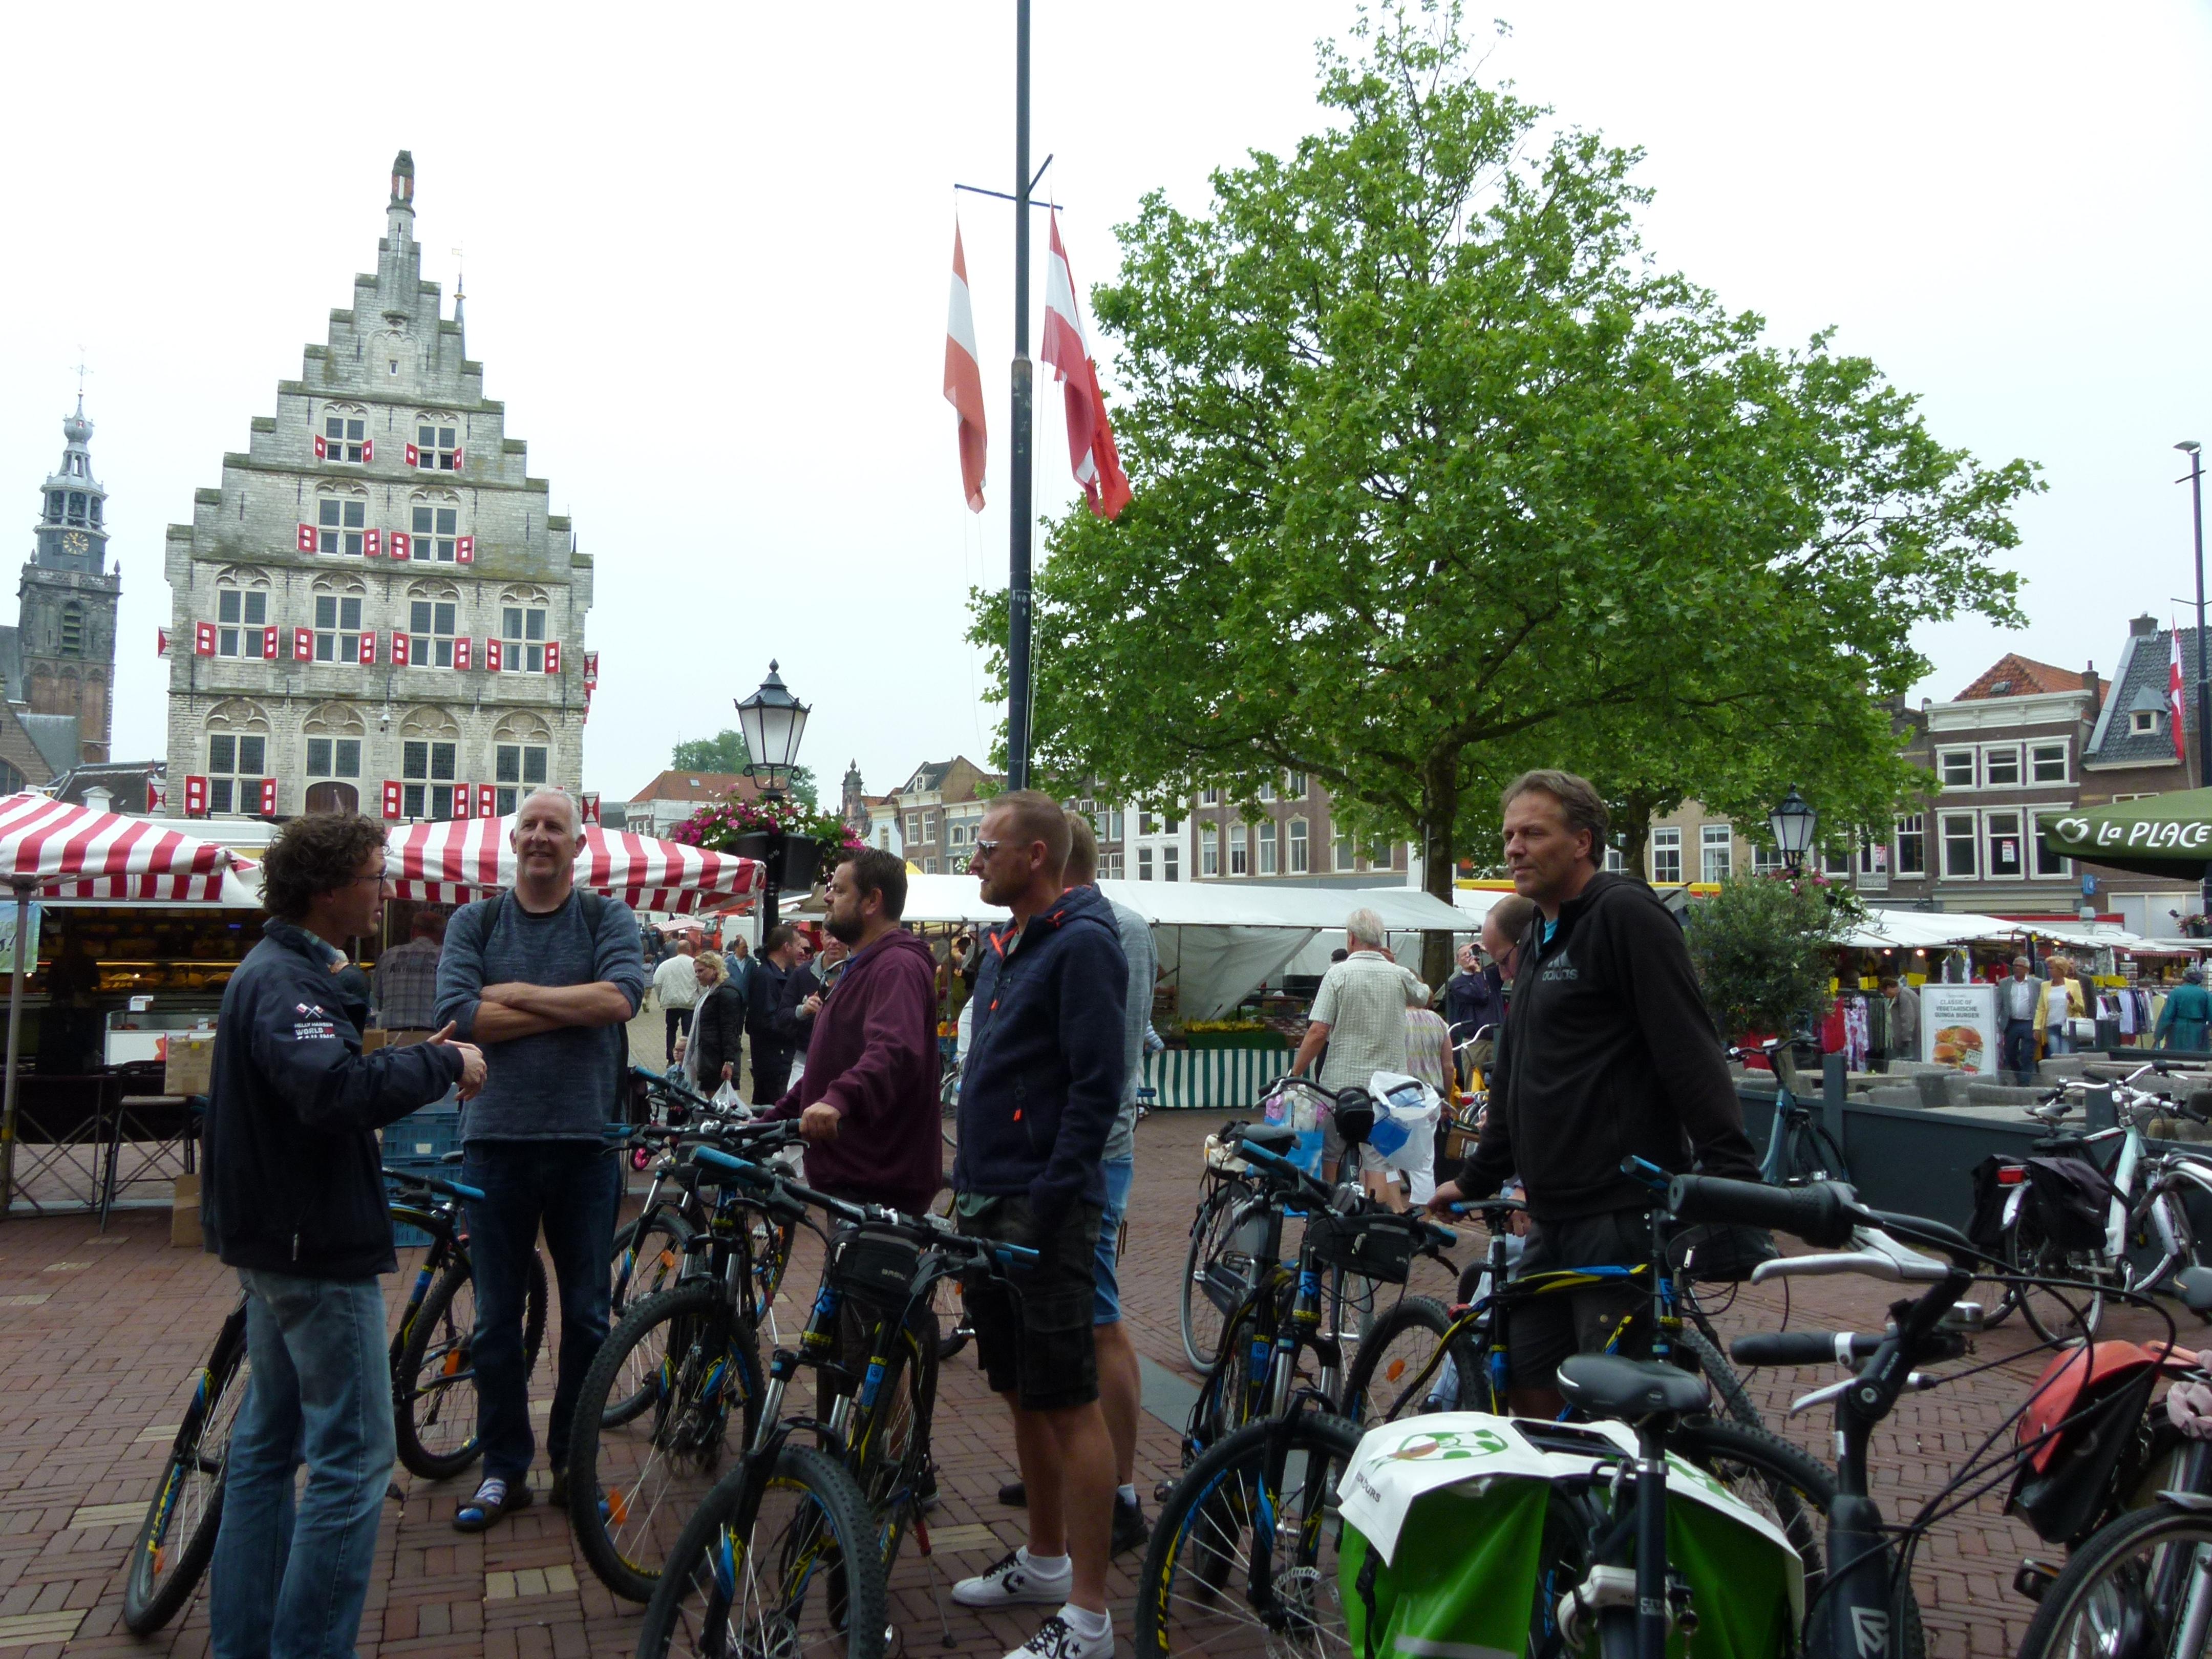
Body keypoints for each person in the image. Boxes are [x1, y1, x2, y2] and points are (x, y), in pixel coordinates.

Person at [204, 813, 485, 1659]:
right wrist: (443, 1065)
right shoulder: (290, 982)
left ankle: (244, 1642)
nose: (384, 890)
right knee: (353, 1462)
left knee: (264, 1450)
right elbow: (328, 1093)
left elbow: (329, 1079)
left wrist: (396, 1063)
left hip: (272, 1244)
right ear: (327, 889)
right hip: (313, 1248)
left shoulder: (283, 971)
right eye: (372, 875)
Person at [1426, 769, 1761, 1418]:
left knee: (1620, 1413)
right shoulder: (1541, 938)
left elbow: (1688, 1049)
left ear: (1582, 841)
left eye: (1533, 833)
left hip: (1617, 1214)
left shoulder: (1625, 915)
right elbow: (1519, 1078)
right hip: (1551, 1216)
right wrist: (1476, 1178)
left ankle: (1650, 1513)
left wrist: (1732, 1180)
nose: (1514, 848)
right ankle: (1569, 1519)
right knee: (1527, 1391)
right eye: (1509, 835)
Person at [434, 789, 647, 1530]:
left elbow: (619, 1001)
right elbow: (461, 1017)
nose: (540, 837)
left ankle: (574, 1463)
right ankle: (504, 1470)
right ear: (513, 839)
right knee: (496, 1320)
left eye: (555, 827)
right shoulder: (476, 921)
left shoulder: (607, 918)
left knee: (588, 1318)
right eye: (529, 825)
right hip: (495, 1144)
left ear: (579, 845)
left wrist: (518, 993)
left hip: (587, 1145)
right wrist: (566, 1003)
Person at [949, 790, 1126, 1659]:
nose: (974, 861)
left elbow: (1098, 1086)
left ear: (1036, 856)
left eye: (986, 848)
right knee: (1019, 1387)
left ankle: (1090, 1615)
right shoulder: (1004, 946)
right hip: (991, 1195)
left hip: (1041, 1204)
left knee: (1067, 1399)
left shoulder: (1083, 944)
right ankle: (1046, 1558)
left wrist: (1053, 1196)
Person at [996, 815, 1155, 1553]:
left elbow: (1100, 1066)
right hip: (1068, 1153)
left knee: (1097, 1317)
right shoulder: (1060, 927)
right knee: (1070, 1325)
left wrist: (1064, 1174)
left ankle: (1119, 1488)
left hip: (1087, 1155)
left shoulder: (1105, 930)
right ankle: (1071, 1478)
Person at [1290, 909, 1429, 1188]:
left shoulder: (1337, 975)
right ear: (1380, 940)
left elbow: (1319, 1031)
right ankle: (1373, 1224)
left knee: (1334, 1153)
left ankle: (1331, 1216)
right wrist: (1395, 965)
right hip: (1385, 1091)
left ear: (1351, 938)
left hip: (1340, 1089)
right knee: (1378, 1160)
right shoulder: (1399, 975)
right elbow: (1425, 997)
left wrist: (1294, 1074)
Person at [746, 922, 808, 1105]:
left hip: (781, 1059)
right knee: (777, 1110)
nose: (801, 951)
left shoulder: (785, 974)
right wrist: (798, 1026)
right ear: (786, 947)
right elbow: (765, 1021)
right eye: (798, 946)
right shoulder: (765, 976)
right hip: (774, 1062)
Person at [372, 909, 446, 1038]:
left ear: (414, 930)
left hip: (393, 1035)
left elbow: (378, 993)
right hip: (431, 1035)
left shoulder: (389, 955)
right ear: (441, 934)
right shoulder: (445, 957)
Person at [687, 949, 746, 1097]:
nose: (698, 975)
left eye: (701, 971)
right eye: (696, 972)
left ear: (715, 969)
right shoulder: (712, 992)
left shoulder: (726, 993)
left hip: (717, 1061)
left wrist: (729, 1061)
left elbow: (730, 1029)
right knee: (713, 1102)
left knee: (719, 1105)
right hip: (709, 1059)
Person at [652, 934, 701, 1066]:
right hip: (690, 1004)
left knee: (671, 1030)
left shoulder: (665, 965)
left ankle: (671, 1058)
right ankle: (687, 1059)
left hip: (671, 1003)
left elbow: (657, 982)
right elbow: (701, 983)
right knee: (688, 1033)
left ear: (677, 950)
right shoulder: (694, 964)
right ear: (689, 950)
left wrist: (661, 999)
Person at [1996, 954, 2042, 1083]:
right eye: (2015, 965)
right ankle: (2020, 1076)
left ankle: (2025, 1083)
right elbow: (1999, 1003)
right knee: (2010, 1054)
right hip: (2011, 1023)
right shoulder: (2005, 983)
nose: (2016, 968)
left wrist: (2039, 1025)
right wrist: (1996, 1021)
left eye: (2020, 966)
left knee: (2027, 1054)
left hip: (2029, 1022)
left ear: (2027, 969)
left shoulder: (2037, 983)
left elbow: (2041, 1004)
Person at [2158, 966, 2212, 1051]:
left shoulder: (2176, 993)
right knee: (2198, 1059)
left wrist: (2159, 1035)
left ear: (2184, 978)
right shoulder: (2206, 994)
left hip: (2178, 1030)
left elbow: (2167, 1015)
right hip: (2199, 1030)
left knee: (2178, 1057)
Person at [2042, 957, 2087, 1058]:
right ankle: (2056, 1074)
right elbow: (2041, 1008)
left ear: (2060, 969)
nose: (2049, 971)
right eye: (2048, 968)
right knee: (2055, 1056)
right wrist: (2037, 1027)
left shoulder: (2074, 984)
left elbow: (2081, 1008)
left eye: (2052, 968)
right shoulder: (2045, 986)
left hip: (2067, 1027)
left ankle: (2065, 1074)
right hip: (2052, 1026)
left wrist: (2072, 1001)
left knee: (2065, 1056)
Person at [1882, 973, 1920, 1064]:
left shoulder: (1904, 995)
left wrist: (1906, 1037)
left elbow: (1908, 1018)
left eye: (1885, 992)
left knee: (1908, 1061)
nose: (1886, 996)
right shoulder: (1901, 994)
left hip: (1909, 1038)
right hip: (1909, 1037)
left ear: (1889, 988)